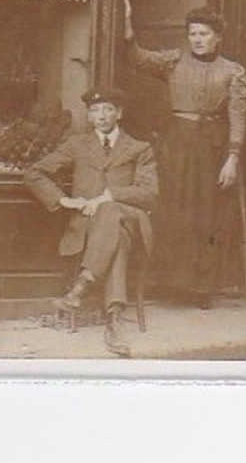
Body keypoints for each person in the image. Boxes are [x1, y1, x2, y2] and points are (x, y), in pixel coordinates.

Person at [124, 0, 246, 307]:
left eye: (204, 34)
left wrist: (232, 158)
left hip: (212, 149)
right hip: (176, 146)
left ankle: (201, 287)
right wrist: (127, 22)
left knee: (206, 217)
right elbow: (137, 58)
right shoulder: (173, 61)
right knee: (173, 212)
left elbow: (238, 117)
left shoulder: (233, 71)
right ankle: (170, 282)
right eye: (193, 34)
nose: (198, 40)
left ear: (217, 37)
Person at [22, 87, 158, 357]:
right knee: (116, 237)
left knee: (111, 211)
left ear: (119, 113)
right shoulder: (77, 145)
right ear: (89, 115)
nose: (101, 116)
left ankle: (81, 286)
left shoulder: (139, 147)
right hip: (89, 228)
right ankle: (114, 321)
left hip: (130, 220)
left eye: (108, 109)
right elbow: (34, 173)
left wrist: (110, 196)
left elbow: (150, 193)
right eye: (95, 110)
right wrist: (63, 201)